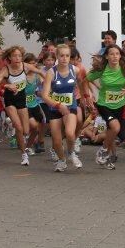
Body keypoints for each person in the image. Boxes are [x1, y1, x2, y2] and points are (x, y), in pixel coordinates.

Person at [87, 45, 125, 169]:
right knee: (115, 127)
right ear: (107, 56)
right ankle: (103, 150)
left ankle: (107, 158)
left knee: (111, 132)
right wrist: (89, 94)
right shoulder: (102, 69)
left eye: (117, 54)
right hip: (104, 104)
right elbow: (85, 79)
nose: (114, 56)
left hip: (119, 105)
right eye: (111, 54)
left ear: (120, 56)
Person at [41, 44, 82, 172]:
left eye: (67, 56)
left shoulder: (75, 70)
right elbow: (45, 95)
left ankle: (71, 153)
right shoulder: (51, 72)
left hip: (71, 106)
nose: (64, 58)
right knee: (57, 141)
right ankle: (61, 160)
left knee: (70, 134)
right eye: (62, 56)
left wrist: (87, 96)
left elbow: (82, 83)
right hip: (55, 108)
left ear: (70, 57)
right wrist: (58, 105)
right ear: (57, 56)